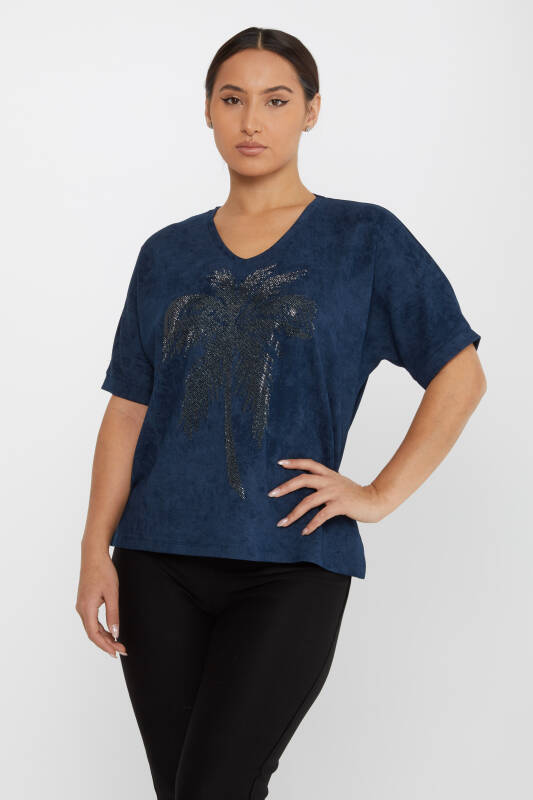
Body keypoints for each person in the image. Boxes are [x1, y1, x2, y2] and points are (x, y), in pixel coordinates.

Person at [76, 26, 486, 800]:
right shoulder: (166, 253)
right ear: (207, 110)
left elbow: (459, 375)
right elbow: (128, 409)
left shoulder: (364, 239)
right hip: (156, 564)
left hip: (293, 565)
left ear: (311, 111)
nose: (250, 121)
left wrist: (377, 494)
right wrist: (95, 549)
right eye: (232, 99)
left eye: (275, 100)